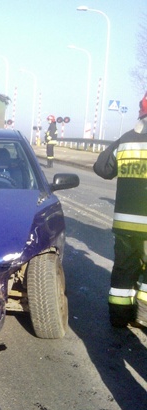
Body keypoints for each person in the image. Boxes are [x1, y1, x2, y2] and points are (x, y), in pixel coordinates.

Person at [93, 92, 147, 328]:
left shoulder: (126, 141)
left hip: (125, 224)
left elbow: (102, 168)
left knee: (124, 271)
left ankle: (119, 317)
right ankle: (144, 316)